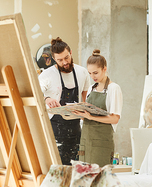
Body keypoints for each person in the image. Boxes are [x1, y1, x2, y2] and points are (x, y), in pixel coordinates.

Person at [38, 37, 90, 165]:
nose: (65, 62)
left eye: (66, 57)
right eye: (60, 60)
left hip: (76, 127)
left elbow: (86, 98)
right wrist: (47, 98)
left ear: (71, 53)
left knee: (75, 166)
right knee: (58, 167)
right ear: (54, 59)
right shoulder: (47, 75)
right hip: (55, 128)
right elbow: (35, 94)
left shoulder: (82, 73)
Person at [73, 49, 123, 167]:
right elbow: (88, 116)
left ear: (104, 69)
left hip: (101, 143)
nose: (92, 76)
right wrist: (81, 115)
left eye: (95, 73)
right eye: (90, 73)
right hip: (86, 141)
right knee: (84, 179)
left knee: (100, 180)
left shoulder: (113, 88)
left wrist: (90, 117)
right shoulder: (91, 88)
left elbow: (114, 119)